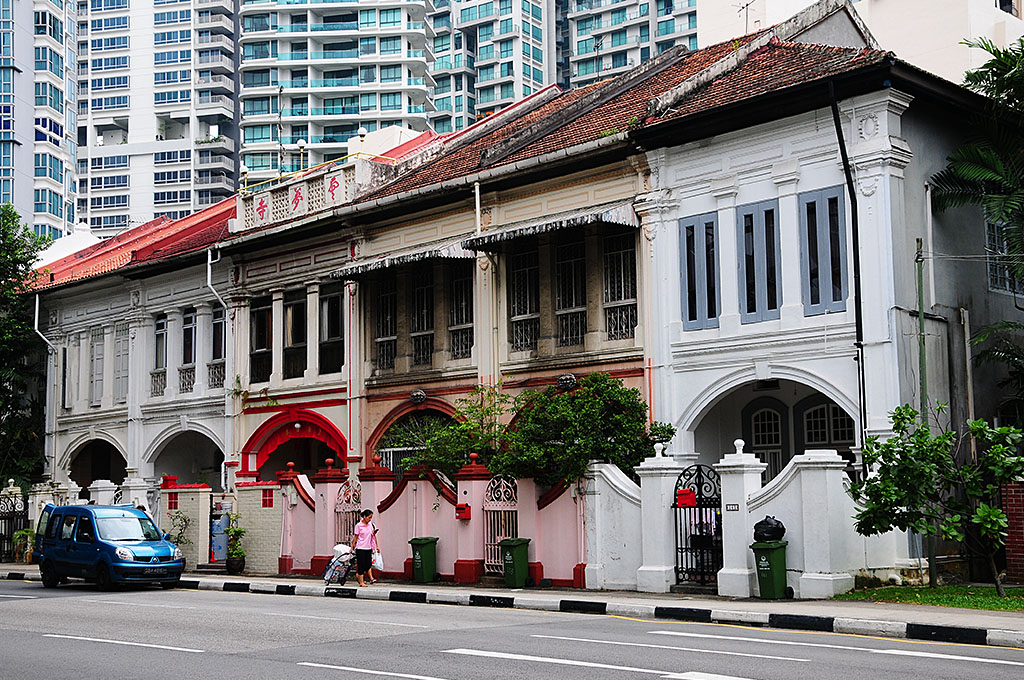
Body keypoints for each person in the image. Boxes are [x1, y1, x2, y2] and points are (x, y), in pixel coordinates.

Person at [350, 509, 379, 587]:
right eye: (369, 517)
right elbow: (355, 537)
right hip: (360, 548)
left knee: (368, 564)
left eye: (371, 518)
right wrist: (352, 547)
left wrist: (376, 546)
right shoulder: (358, 526)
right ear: (364, 517)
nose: (370, 519)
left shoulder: (370, 525)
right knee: (361, 565)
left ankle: (359, 577)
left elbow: (373, 536)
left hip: (368, 547)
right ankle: (361, 582)